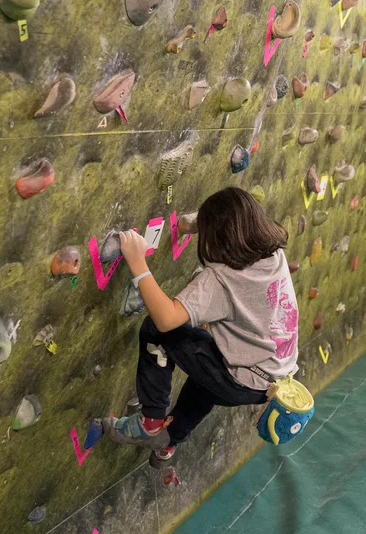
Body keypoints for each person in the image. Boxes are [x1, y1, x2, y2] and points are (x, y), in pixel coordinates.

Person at [99, 187, 300, 467]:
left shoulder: (220, 279)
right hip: (275, 377)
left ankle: (150, 423)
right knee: (205, 381)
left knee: (156, 331)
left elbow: (166, 319)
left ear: (216, 236)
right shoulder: (273, 254)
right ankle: (168, 442)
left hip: (240, 379)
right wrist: (199, 224)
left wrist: (137, 262)